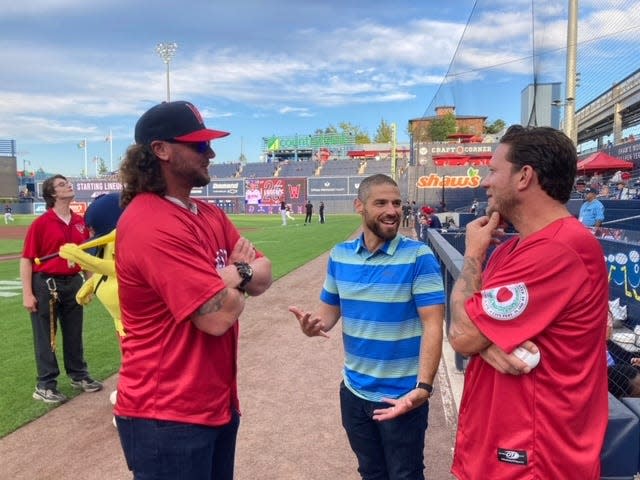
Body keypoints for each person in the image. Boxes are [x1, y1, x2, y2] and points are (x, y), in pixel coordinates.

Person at [114, 100, 273, 480]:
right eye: (199, 145)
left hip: (213, 402)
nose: (211, 153)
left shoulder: (209, 214)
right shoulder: (151, 222)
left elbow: (265, 275)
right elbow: (217, 317)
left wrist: (232, 273)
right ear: (161, 150)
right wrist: (238, 275)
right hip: (166, 414)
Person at [448, 125, 609, 479]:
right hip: (503, 447)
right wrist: (484, 342)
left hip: (535, 458)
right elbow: (475, 330)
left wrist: (473, 252)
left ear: (524, 176)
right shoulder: (511, 248)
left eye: (493, 171)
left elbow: (462, 336)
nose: (486, 182)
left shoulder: (559, 247)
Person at [289, 173, 445, 480]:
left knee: (406, 474)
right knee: (370, 472)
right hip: (354, 393)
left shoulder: (418, 256)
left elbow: (433, 324)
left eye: (397, 203)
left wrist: (423, 389)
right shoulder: (340, 255)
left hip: (402, 397)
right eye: (381, 203)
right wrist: (313, 326)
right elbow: (329, 314)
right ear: (359, 206)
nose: (392, 210)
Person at [20, 174, 103, 404]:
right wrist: (28, 293)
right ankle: (45, 384)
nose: (68, 185)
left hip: (73, 282)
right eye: (61, 184)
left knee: (75, 332)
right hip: (46, 284)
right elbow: (26, 259)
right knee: (46, 336)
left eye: (67, 183)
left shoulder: (79, 222)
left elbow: (85, 258)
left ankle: (79, 375)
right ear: (52, 194)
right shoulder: (41, 223)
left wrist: (91, 284)